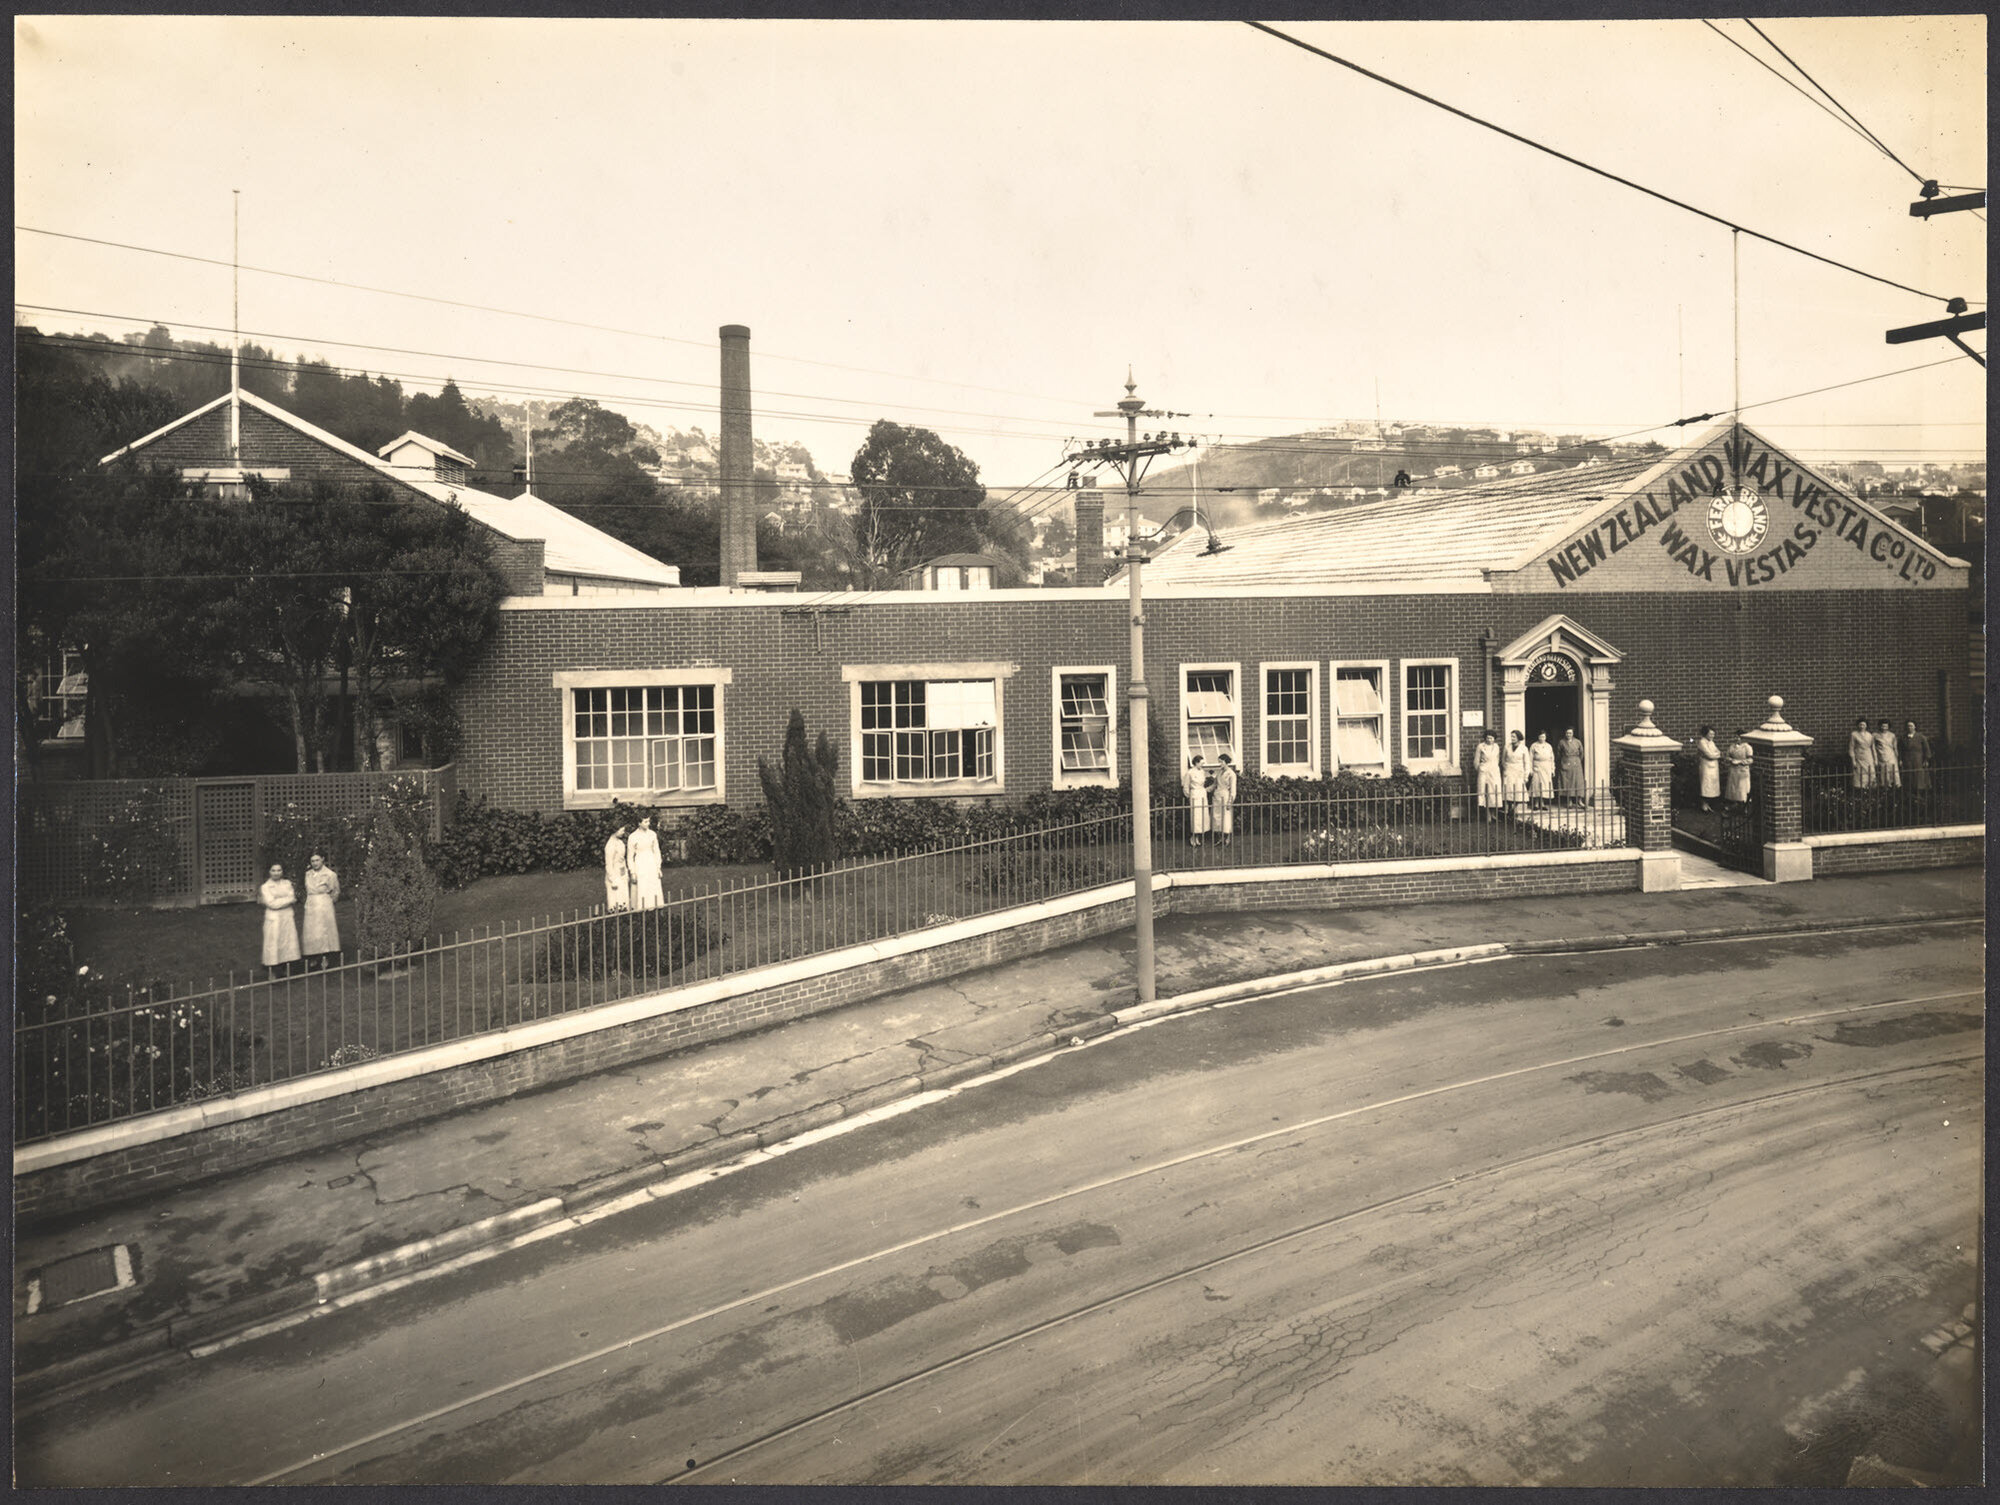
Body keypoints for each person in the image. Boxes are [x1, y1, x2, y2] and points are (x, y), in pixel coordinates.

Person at [259, 863, 302, 976]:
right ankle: (273, 970)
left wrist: (281, 900)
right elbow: (272, 904)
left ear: (282, 872)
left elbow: (292, 897)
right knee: (274, 943)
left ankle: (287, 968)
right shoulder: (265, 887)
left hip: (287, 917)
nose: (276, 873)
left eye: (279, 870)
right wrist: (287, 900)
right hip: (274, 918)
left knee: (288, 942)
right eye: (273, 870)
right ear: (269, 872)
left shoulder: (287, 883)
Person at [301, 852, 341, 970]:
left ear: (323, 859)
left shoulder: (330, 874)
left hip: (324, 904)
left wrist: (328, 902)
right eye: (312, 861)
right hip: (311, 904)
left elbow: (336, 891)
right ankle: (313, 956)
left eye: (317, 860)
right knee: (311, 932)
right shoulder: (308, 874)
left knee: (324, 931)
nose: (315, 863)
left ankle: (325, 956)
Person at [627, 815, 664, 910]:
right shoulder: (633, 836)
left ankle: (654, 907)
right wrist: (632, 872)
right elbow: (630, 857)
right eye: (645, 822)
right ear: (639, 823)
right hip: (640, 863)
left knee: (653, 885)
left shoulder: (652, 834)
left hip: (651, 862)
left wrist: (658, 867)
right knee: (642, 886)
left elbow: (656, 851)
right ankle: (642, 908)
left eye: (648, 821)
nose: (648, 824)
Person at [1182, 754, 1213, 847]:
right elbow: (1186, 786)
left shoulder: (1202, 772)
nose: (1202, 765)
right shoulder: (1190, 773)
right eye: (1201, 763)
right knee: (1196, 816)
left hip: (1202, 794)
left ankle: (1198, 837)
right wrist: (1189, 796)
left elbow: (1203, 783)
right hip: (1195, 795)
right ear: (1196, 763)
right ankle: (1193, 837)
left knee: (1202, 816)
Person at [1473, 731, 1503, 822]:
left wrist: (1494, 767)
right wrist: (1480, 769)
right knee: (1484, 791)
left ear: (1494, 739)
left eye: (1491, 738)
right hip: (1484, 770)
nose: (1489, 740)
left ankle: (1493, 814)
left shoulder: (1496, 747)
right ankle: (1488, 815)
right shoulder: (1481, 746)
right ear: (1485, 738)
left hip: (1494, 771)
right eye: (1488, 738)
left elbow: (1497, 759)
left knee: (1494, 791)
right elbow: (1476, 761)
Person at [1209, 752, 1239, 845]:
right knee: (1216, 818)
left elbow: (1233, 789)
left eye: (1221, 762)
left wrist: (1230, 801)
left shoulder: (1231, 774)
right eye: (1219, 762)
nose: (1220, 764)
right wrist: (1203, 790)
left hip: (1225, 797)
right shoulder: (1219, 773)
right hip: (1217, 797)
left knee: (1226, 817)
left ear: (1226, 762)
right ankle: (1219, 838)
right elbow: (1214, 785)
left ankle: (1227, 838)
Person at [1694, 725, 1722, 812]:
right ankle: (1704, 804)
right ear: (1705, 734)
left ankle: (1708, 804)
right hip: (1706, 766)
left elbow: (1719, 752)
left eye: (1713, 734)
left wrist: (1715, 755)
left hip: (1714, 767)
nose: (1712, 736)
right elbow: (1709, 755)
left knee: (1712, 785)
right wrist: (1715, 755)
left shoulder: (1711, 742)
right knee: (1705, 785)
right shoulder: (1702, 742)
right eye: (1710, 734)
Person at [604, 823, 631, 912]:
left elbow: (622, 859)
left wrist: (625, 872)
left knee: (624, 898)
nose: (623, 832)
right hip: (614, 873)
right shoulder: (610, 845)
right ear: (615, 831)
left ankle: (624, 913)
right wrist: (613, 879)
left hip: (622, 872)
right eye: (621, 830)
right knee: (615, 899)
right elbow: (608, 864)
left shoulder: (620, 842)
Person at [1502, 730, 1530, 814]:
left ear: (1518, 738)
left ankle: (1514, 809)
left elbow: (1527, 762)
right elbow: (1503, 760)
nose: (1512, 738)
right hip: (1509, 771)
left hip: (1519, 772)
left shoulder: (1524, 748)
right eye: (1511, 736)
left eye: (1514, 737)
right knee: (1508, 791)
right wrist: (1506, 768)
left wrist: (1526, 775)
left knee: (1518, 791)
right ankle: (1509, 809)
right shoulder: (1507, 747)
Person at [1556, 727, 1585, 808]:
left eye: (1570, 733)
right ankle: (1569, 801)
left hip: (1576, 764)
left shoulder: (1578, 742)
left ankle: (1579, 801)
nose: (1568, 735)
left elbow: (1581, 753)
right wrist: (1564, 760)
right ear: (1565, 733)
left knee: (1578, 782)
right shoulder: (1562, 742)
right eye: (1567, 733)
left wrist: (1576, 760)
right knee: (1567, 782)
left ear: (1573, 734)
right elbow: (1558, 753)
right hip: (1566, 763)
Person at [1724, 729, 1753, 805]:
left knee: (1742, 789)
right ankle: (1734, 804)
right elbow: (1727, 757)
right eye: (1736, 737)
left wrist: (1740, 762)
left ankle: (1744, 804)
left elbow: (1750, 760)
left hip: (1743, 771)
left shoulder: (1747, 747)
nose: (1737, 739)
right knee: (1733, 788)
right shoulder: (1732, 746)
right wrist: (1731, 760)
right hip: (1733, 770)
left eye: (1739, 737)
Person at [1528, 731, 1555, 810]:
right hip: (1537, 766)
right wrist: (1530, 769)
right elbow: (1530, 758)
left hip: (1546, 767)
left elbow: (1552, 759)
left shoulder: (1549, 746)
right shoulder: (1534, 746)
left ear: (1545, 737)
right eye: (1540, 737)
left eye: (1543, 737)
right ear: (1538, 737)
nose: (1542, 738)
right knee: (1537, 784)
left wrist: (1552, 769)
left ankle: (1542, 803)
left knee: (1544, 785)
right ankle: (1536, 803)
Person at [1904, 720, 1933, 794]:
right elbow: (1900, 750)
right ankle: (1910, 794)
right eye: (1908, 726)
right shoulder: (1903, 738)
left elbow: (1926, 749)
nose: (1909, 728)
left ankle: (1919, 793)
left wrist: (1926, 760)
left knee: (1919, 777)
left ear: (1915, 727)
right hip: (1907, 760)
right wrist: (1900, 759)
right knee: (1909, 777)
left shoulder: (1921, 737)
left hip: (1918, 759)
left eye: (1911, 726)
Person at [1847, 717, 1876, 790]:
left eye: (1864, 725)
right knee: (1859, 773)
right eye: (1860, 725)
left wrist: (1875, 759)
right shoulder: (1854, 735)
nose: (1862, 726)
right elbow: (1851, 748)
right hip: (1859, 756)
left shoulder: (1870, 735)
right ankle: (1860, 789)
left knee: (1870, 772)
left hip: (1868, 756)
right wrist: (1853, 760)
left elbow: (1873, 748)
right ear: (1858, 725)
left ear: (1866, 726)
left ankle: (1870, 788)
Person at [1873, 720, 1901, 790]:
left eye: (1886, 726)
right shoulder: (1875, 735)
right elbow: (1873, 747)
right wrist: (1875, 758)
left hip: (1891, 756)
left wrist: (1897, 758)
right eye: (1882, 726)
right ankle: (1884, 788)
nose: (1884, 728)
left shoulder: (1892, 735)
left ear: (1888, 727)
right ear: (1879, 726)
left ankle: (1895, 787)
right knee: (1883, 773)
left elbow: (1895, 747)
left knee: (1893, 772)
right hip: (1881, 756)